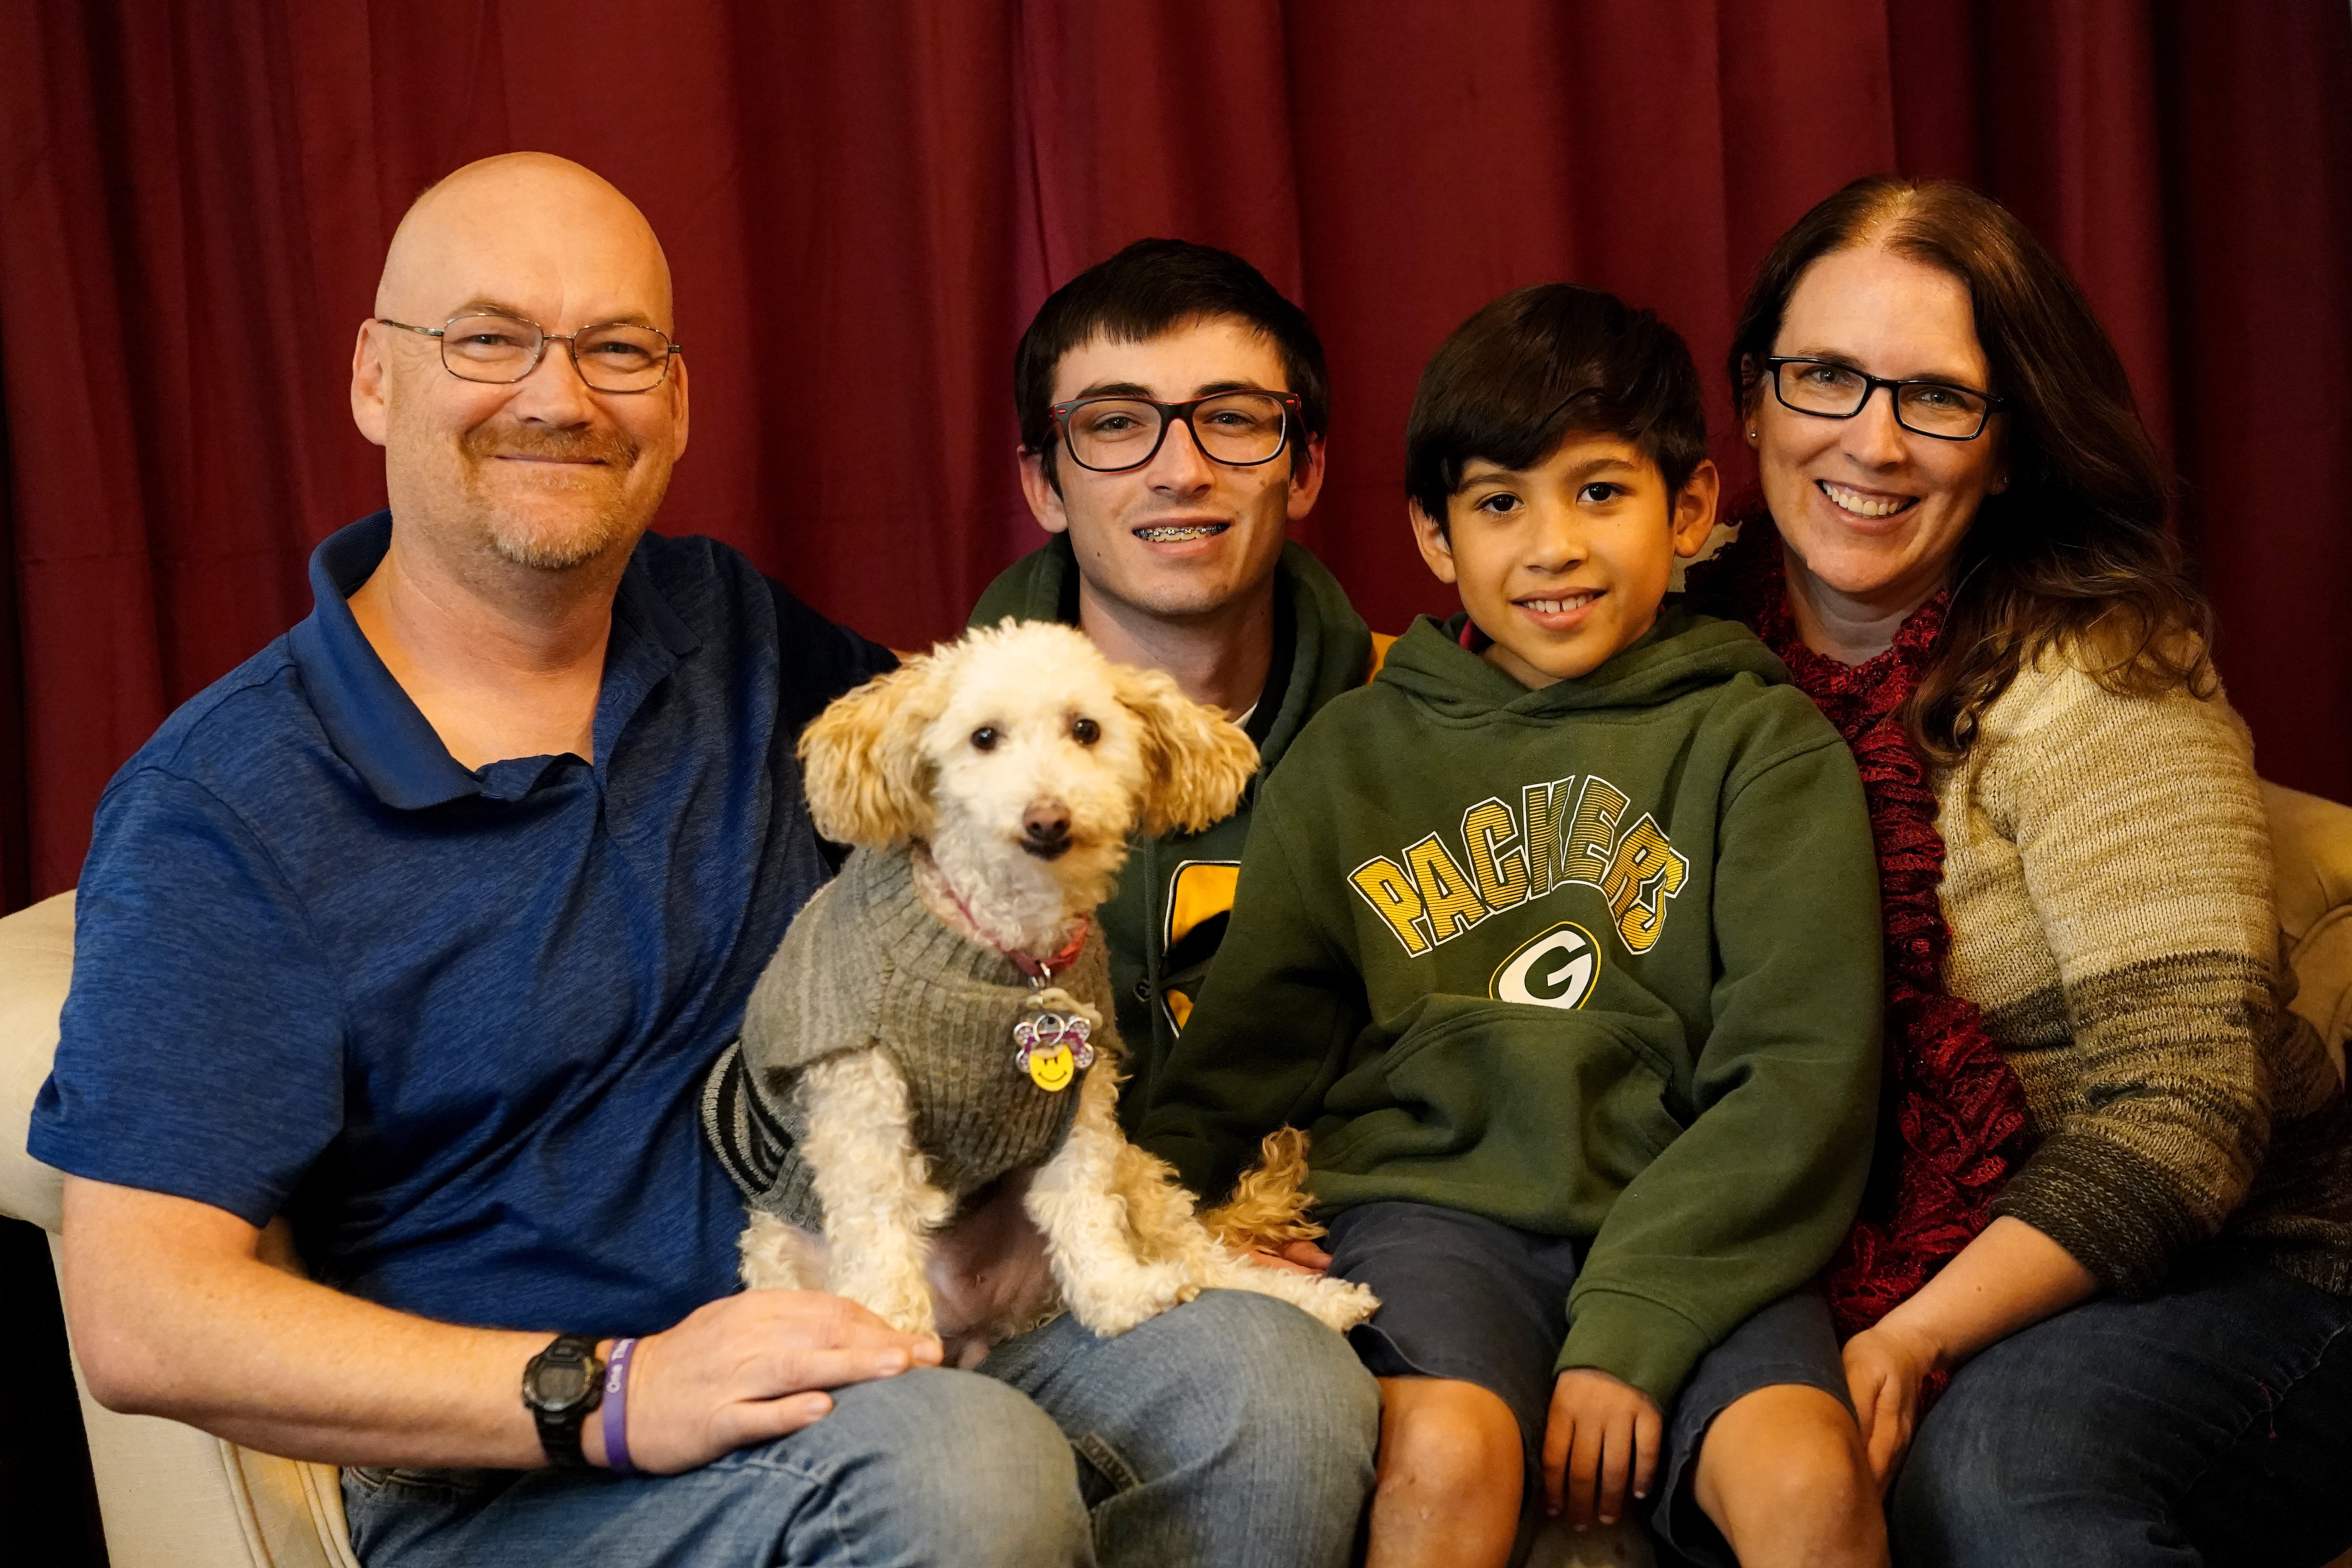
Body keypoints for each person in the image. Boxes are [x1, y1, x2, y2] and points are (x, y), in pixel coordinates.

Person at [30, 153, 1377, 1568]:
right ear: (376, 376)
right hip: (532, 1469)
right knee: (954, 1466)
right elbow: (143, 1315)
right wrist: (611, 1392)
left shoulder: (732, 632)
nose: (559, 397)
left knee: (1271, 1388)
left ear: (673, 402)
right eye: (489, 338)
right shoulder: (224, 802)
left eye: (617, 349)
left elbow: (1005, 739)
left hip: (862, 1327)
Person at [1140, 283, 1892, 1568]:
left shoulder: (1760, 744)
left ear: (1691, 509)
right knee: (1446, 1458)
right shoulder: (1355, 755)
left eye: (1600, 493)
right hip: (1434, 1214)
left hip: (1691, 1223)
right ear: (1434, 537)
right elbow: (1252, 1048)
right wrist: (1143, 1218)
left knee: (1808, 1484)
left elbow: (1800, 1079)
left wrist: (1637, 1320)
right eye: (1499, 504)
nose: (1552, 547)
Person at [1693, 174, 2352, 1567]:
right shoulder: (1669, 652)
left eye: (1937, 396)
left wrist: (1912, 1336)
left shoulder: (2100, 681)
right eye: (1825, 377)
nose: (1872, 440)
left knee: (1995, 1472)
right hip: (1828, 1257)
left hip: (2240, 1263)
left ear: (2007, 447)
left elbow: (2190, 1106)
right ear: (1752, 398)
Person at [969, 239, 1377, 1112]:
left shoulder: (1414, 725)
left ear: (1305, 468)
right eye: (1116, 424)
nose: (1182, 472)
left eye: (1232, 418)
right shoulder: (936, 769)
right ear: (1045, 486)